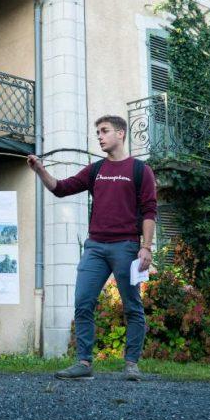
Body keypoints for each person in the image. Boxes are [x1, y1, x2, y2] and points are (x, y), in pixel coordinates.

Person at [28, 115, 157, 381]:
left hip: (126, 247)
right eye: (97, 132)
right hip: (95, 247)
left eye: (104, 131)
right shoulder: (95, 169)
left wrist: (146, 247)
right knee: (83, 302)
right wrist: (40, 170)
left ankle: (131, 363)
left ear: (120, 134)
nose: (99, 136)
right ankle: (84, 363)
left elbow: (149, 212)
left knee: (132, 307)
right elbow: (61, 189)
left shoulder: (140, 170)